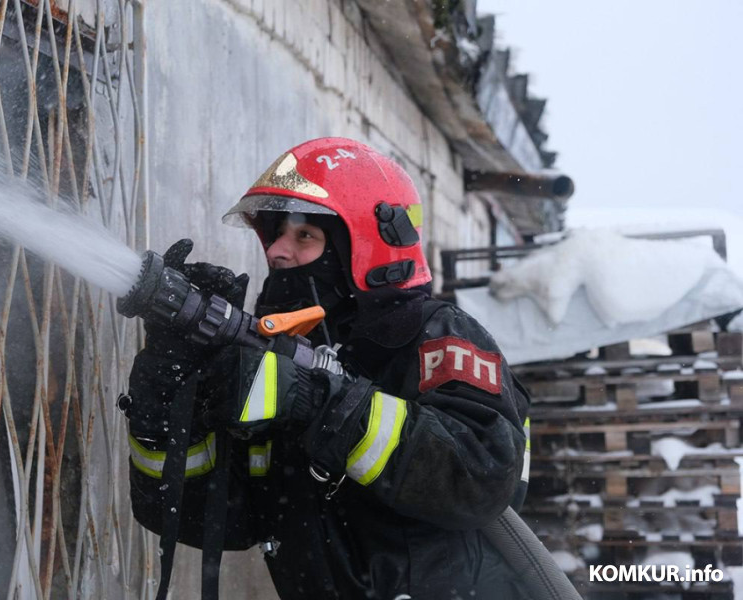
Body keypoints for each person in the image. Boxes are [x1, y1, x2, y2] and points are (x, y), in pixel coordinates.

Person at [121, 138, 533, 599]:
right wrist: (164, 385)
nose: (277, 251)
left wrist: (316, 399)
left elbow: (481, 477)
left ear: (363, 247)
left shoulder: (435, 337)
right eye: (275, 234)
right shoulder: (281, 361)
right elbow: (212, 519)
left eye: (303, 235)